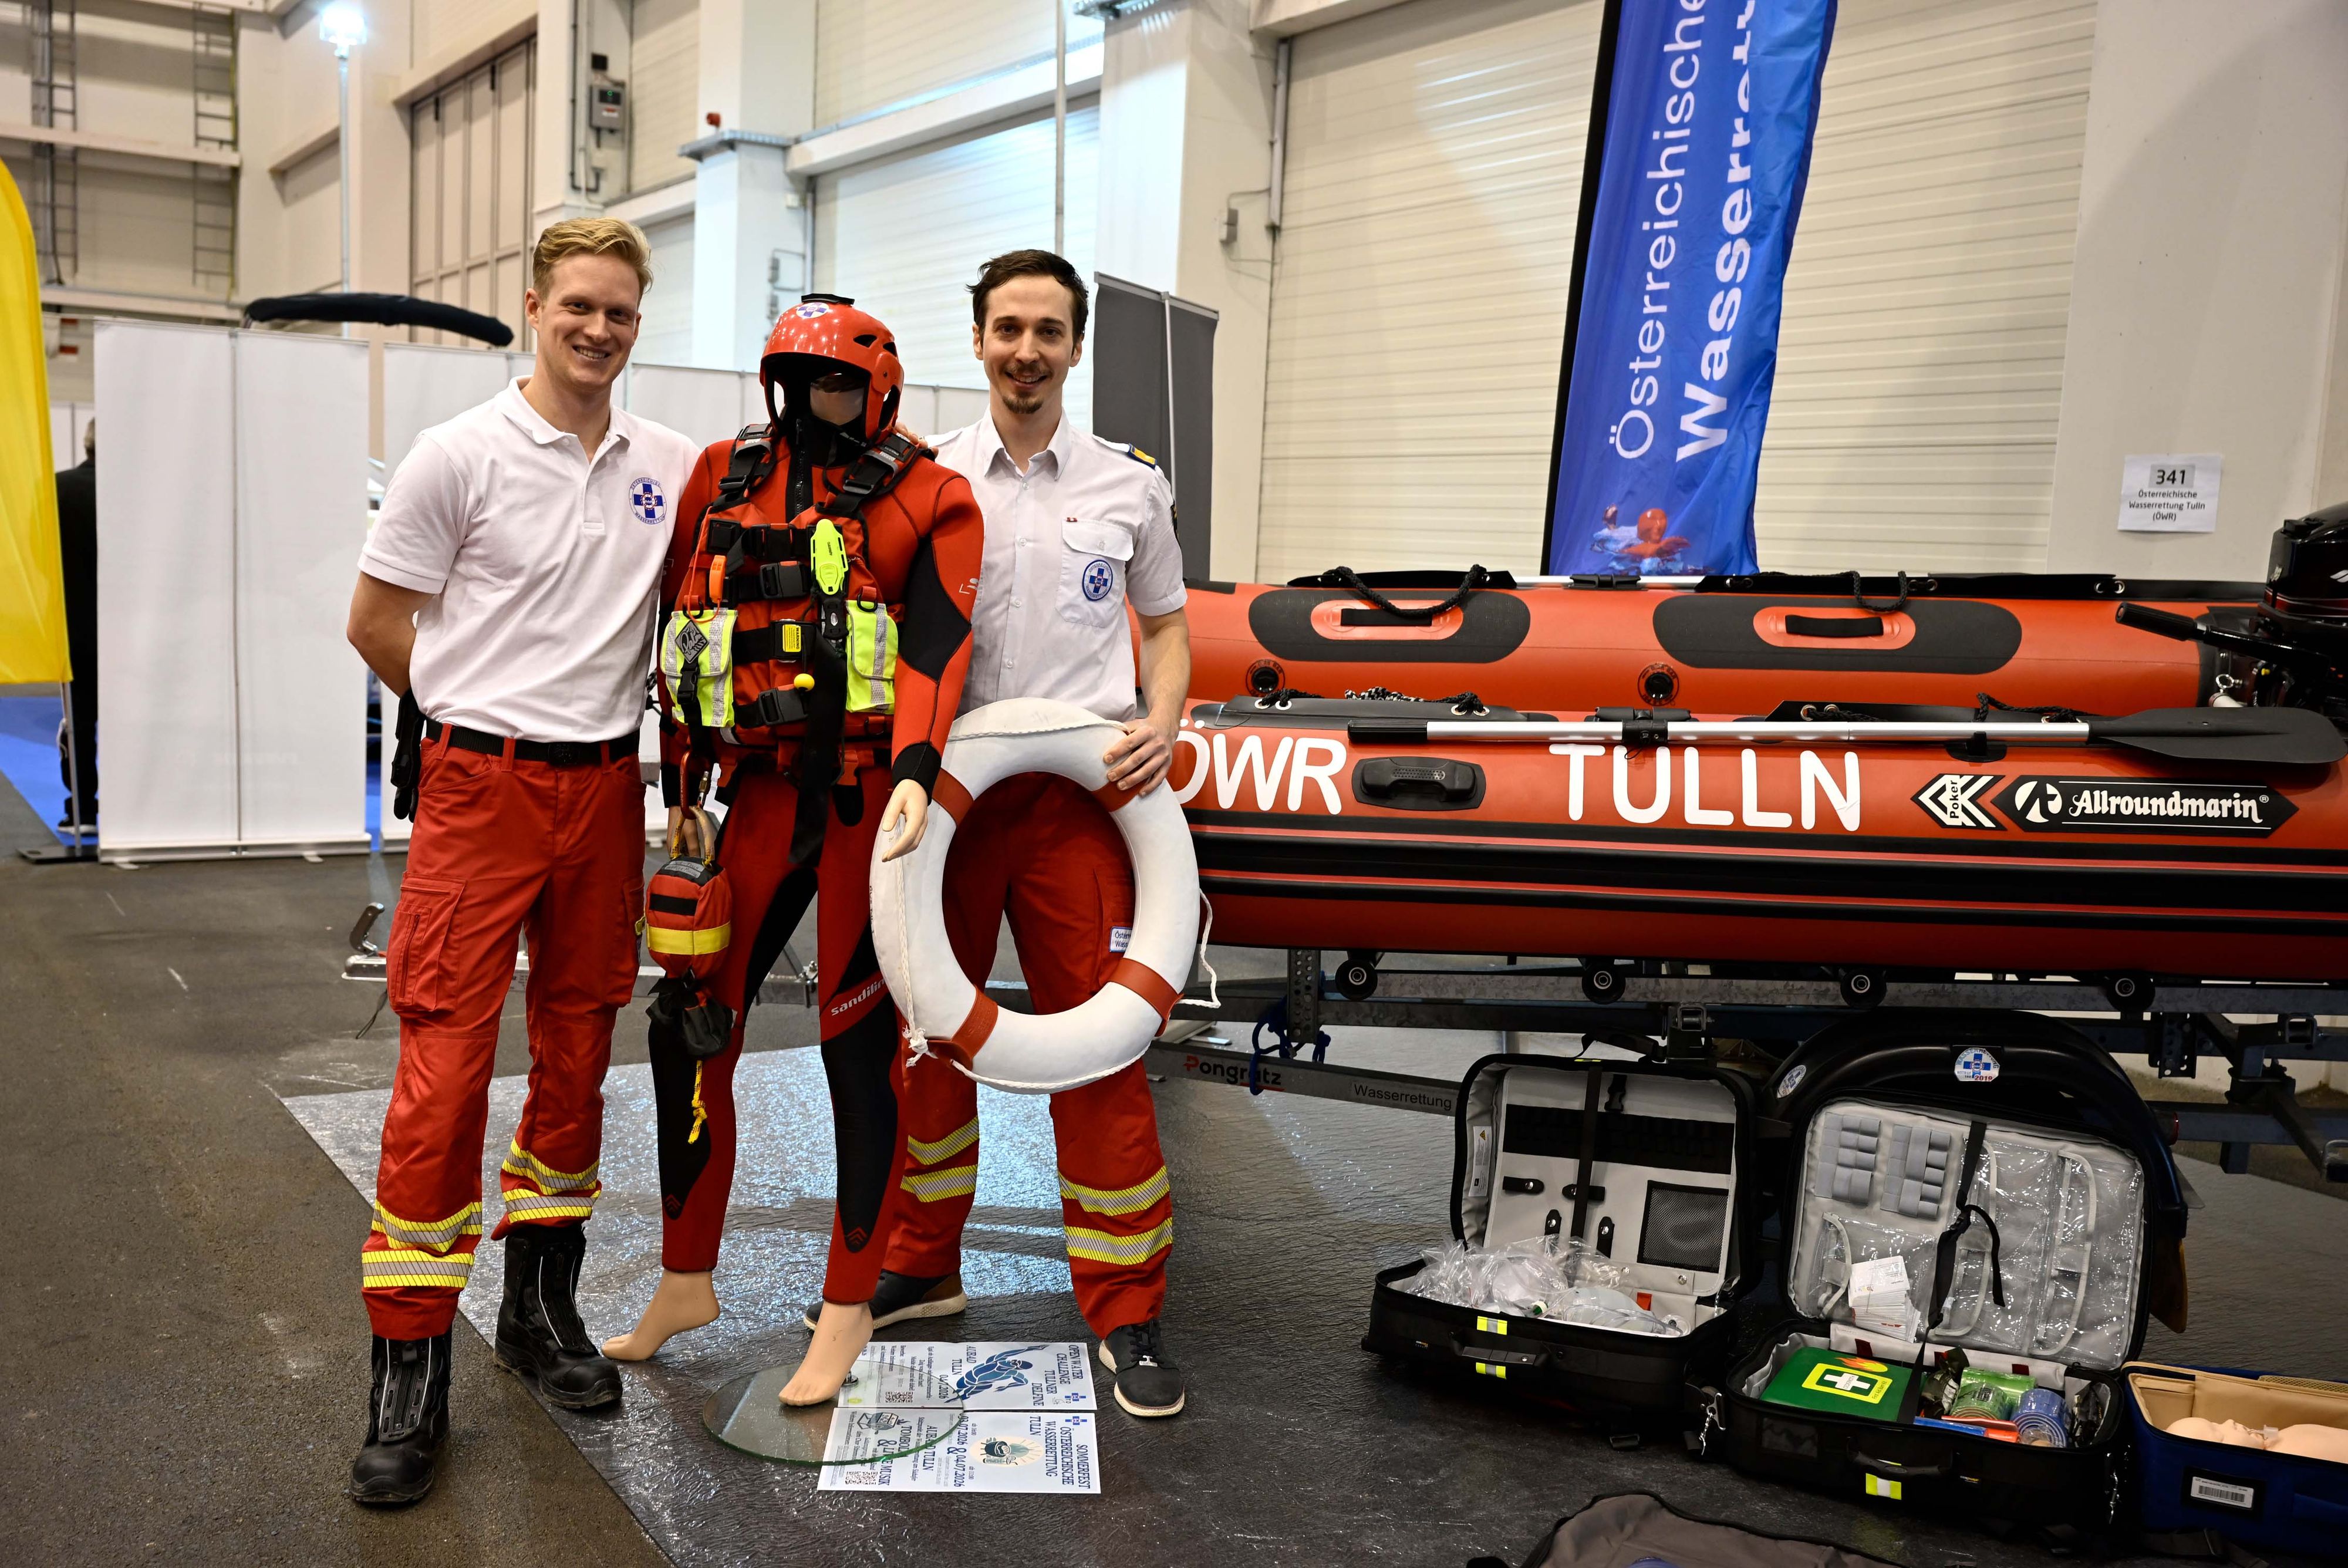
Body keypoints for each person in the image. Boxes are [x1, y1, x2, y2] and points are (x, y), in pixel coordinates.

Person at [340, 217, 699, 1505]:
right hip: (480, 790)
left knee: (577, 1053)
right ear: (534, 307)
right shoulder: (458, 456)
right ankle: (408, 1368)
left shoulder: (670, 464)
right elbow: (376, 622)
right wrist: (467, 722)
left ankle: (536, 1308)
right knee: (439, 1071)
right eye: (577, 307)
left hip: (607, 790)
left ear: (636, 324)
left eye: (619, 312)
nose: (597, 329)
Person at [599, 294, 984, 1408]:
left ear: (881, 388)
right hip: (756, 802)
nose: (817, 407)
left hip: (872, 809)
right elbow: (688, 631)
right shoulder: (723, 474)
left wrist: (916, 771)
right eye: (797, 382)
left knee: (855, 1052)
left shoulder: (935, 495)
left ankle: (852, 1304)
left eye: (836, 385)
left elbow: (936, 648)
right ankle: (684, 1278)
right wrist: (684, 787)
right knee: (688, 1024)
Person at [869, 249, 1195, 1419]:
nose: (1025, 350)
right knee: (924, 1041)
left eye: (1047, 331)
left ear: (1074, 345)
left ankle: (1127, 1310)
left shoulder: (1127, 485)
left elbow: (1165, 630)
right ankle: (918, 1261)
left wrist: (1162, 724)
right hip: (944, 805)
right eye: (1008, 328)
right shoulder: (922, 479)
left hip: (1077, 807)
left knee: (1099, 1052)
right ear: (976, 338)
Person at [53, 419, 96, 832]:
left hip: (73, 627)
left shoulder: (58, 489)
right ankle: (137, 810)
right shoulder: (138, 499)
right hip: (132, 632)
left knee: (78, 722)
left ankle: (81, 810)